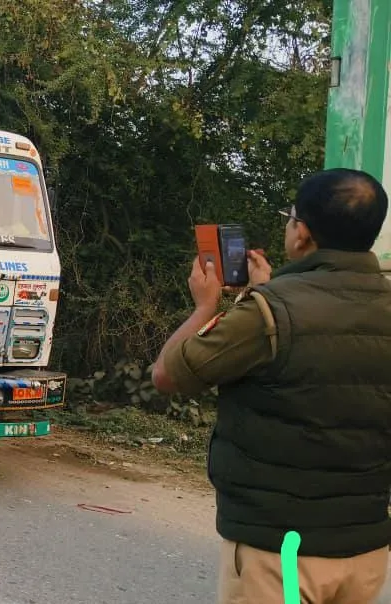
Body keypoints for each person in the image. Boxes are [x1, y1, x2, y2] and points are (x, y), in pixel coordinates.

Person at [150, 168, 391, 603]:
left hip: (283, 554)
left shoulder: (269, 313)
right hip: (366, 551)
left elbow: (167, 375)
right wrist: (271, 290)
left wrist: (205, 307)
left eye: (291, 216)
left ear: (303, 235)